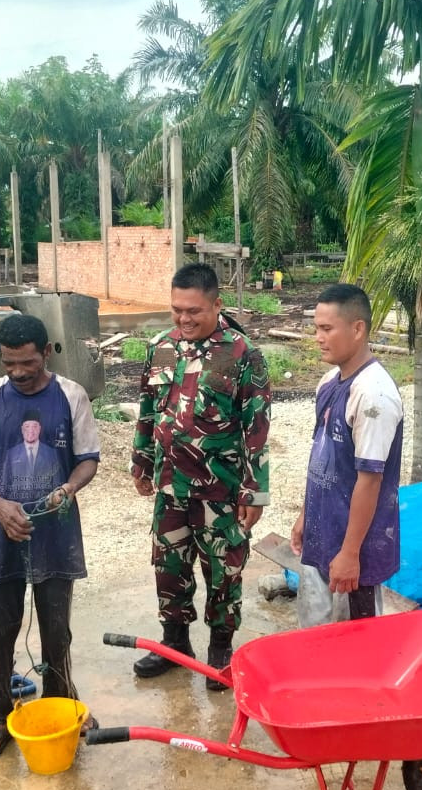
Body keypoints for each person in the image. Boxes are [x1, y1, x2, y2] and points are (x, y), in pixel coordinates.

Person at [0, 313, 100, 764]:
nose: (18, 372)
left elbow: (88, 459)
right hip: (1, 533)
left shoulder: (72, 396)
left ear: (47, 353)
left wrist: (69, 488)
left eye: (27, 363)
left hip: (56, 531)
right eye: (9, 364)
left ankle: (62, 701)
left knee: (57, 630)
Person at [131, 263, 270, 690]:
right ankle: (175, 644)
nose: (184, 318)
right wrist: (141, 461)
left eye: (193, 311)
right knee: (168, 568)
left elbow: (257, 428)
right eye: (177, 309)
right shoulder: (160, 347)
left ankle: (220, 651)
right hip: (170, 487)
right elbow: (148, 409)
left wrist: (254, 491)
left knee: (223, 572)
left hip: (220, 491)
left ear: (216, 305)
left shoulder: (243, 355)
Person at [290, 283, 404, 627]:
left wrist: (351, 553)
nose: (318, 338)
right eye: (316, 329)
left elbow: (370, 481)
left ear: (357, 329)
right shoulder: (329, 382)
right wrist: (306, 515)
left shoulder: (374, 396)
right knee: (313, 635)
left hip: (353, 552)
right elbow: (322, 459)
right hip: (321, 536)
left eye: (327, 329)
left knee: (353, 641)